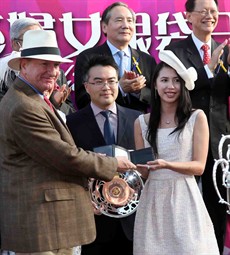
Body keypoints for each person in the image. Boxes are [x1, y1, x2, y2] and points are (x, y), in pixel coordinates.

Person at [0, 29, 136, 254]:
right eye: (44, 64)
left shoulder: (32, 98)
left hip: (50, 221)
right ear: (23, 65)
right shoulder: (24, 106)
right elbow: (63, 156)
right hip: (42, 223)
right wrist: (112, 163)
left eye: (55, 65)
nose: (52, 71)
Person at [133, 49, 219, 255]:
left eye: (176, 81)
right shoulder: (141, 123)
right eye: (164, 80)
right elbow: (143, 172)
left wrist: (167, 164)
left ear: (183, 85)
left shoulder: (196, 117)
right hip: (153, 202)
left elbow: (198, 167)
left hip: (185, 199)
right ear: (154, 84)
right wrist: (127, 164)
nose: (170, 87)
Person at [165, 0, 230, 252]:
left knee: (217, 207)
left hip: (219, 144)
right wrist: (208, 68)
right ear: (188, 16)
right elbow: (174, 90)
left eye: (214, 11)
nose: (210, 16)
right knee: (185, 207)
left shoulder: (225, 50)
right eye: (203, 11)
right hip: (185, 139)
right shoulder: (175, 51)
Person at [66, 55, 142, 255]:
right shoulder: (71, 123)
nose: (106, 87)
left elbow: (145, 163)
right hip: (93, 220)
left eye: (111, 81)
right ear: (86, 87)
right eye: (98, 82)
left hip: (132, 222)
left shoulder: (138, 119)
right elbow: (69, 167)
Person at [74, 1, 157, 113]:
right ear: (104, 27)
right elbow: (81, 100)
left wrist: (138, 91)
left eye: (130, 21)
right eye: (119, 20)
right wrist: (119, 89)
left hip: (139, 125)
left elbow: (157, 96)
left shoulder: (147, 60)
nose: (125, 26)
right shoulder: (87, 57)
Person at [0, 17, 76, 115]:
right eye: (30, 39)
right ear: (14, 44)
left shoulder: (57, 74)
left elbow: (71, 114)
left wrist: (56, 102)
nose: (51, 71)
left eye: (41, 38)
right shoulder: (3, 75)